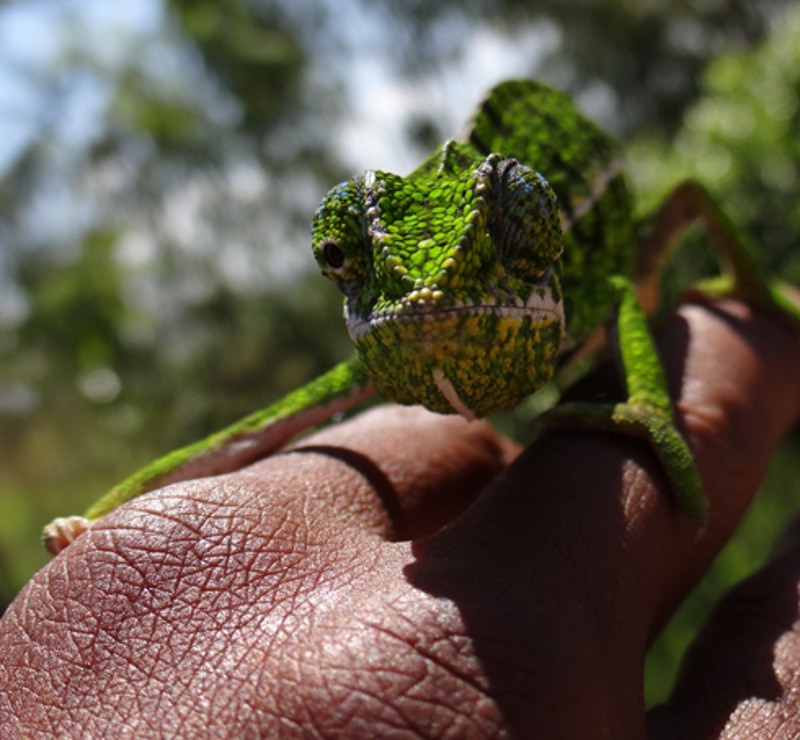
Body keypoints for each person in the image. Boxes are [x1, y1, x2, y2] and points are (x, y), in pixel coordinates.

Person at [1, 291, 800, 738]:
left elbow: (623, 287)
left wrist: (651, 407)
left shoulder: (545, 287)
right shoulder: (406, 324)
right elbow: (260, 426)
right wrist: (108, 520)